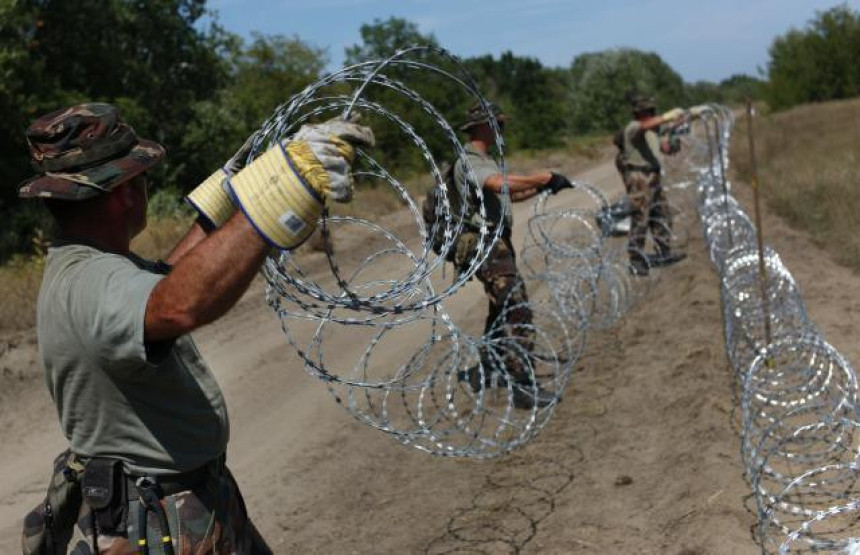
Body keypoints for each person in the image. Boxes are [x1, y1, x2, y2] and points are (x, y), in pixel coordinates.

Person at [19, 102, 373, 554]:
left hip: (180, 506)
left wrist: (227, 198)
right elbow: (176, 305)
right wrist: (277, 202)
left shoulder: (93, 267)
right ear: (126, 191)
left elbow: (164, 281)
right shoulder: (93, 283)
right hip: (154, 522)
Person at [452, 103, 573, 409]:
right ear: (483, 127)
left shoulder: (485, 159)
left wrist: (545, 186)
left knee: (501, 309)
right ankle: (521, 384)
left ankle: (489, 367)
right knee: (517, 309)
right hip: (486, 245)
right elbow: (496, 184)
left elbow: (509, 193)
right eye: (498, 125)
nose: (501, 131)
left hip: (497, 244)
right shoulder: (470, 161)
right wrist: (541, 176)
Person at [620, 95, 689, 276]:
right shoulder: (633, 128)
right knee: (640, 218)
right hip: (639, 177)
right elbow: (644, 127)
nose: (652, 114)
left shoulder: (652, 132)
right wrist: (668, 117)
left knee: (662, 214)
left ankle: (664, 251)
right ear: (641, 112)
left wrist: (674, 136)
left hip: (653, 176)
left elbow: (665, 148)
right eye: (650, 111)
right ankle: (635, 260)